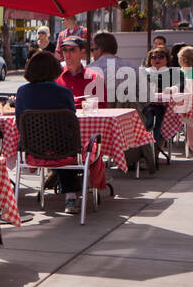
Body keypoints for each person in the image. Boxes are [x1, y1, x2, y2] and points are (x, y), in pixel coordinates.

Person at [15, 51, 83, 210]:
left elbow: (20, 124)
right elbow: (70, 123)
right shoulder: (64, 92)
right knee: (68, 143)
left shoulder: (22, 92)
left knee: (63, 142)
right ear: (55, 69)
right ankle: (71, 196)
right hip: (63, 149)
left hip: (32, 149)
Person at [86, 31, 140, 109]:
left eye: (92, 50)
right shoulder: (132, 67)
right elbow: (147, 96)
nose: (92, 53)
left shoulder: (89, 71)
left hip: (99, 117)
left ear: (99, 50)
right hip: (127, 118)